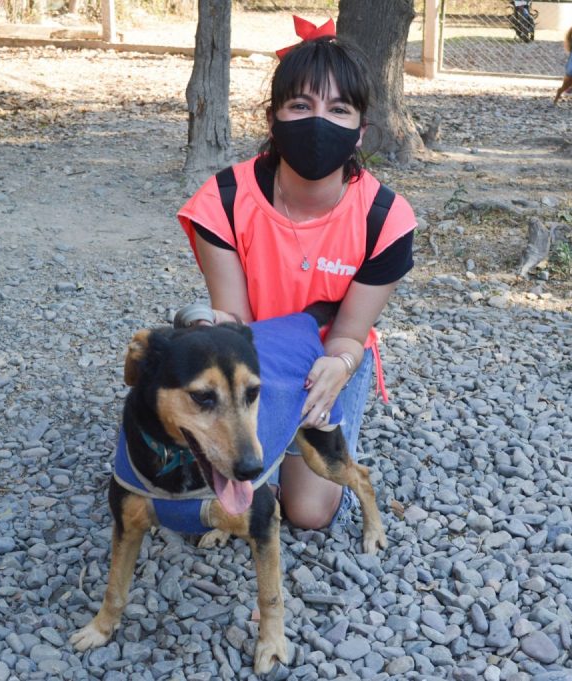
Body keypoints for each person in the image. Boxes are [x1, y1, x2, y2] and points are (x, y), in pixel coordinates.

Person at [175, 17, 416, 530]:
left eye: (338, 109)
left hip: (327, 359)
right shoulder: (223, 201)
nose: (317, 121)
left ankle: (328, 463)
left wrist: (341, 367)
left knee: (308, 514)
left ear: (360, 131)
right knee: (203, 488)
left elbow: (350, 334)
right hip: (253, 352)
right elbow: (236, 327)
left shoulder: (387, 219)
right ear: (273, 119)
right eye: (300, 106)